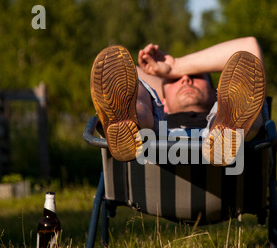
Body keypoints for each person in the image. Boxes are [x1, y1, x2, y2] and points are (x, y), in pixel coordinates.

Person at [90, 37, 267, 166]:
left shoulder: (219, 101)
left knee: (240, 102)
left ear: (214, 93)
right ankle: (128, 120)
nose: (185, 80)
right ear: (164, 100)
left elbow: (249, 50)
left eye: (195, 76)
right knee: (136, 88)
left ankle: (227, 130)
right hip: (155, 132)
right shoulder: (158, 109)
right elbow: (119, 70)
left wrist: (176, 66)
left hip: (214, 129)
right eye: (174, 80)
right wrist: (163, 70)